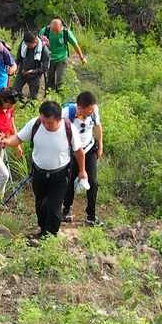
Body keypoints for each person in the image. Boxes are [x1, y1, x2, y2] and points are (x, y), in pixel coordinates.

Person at [1, 101, 87, 238]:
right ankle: (42, 230)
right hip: (39, 172)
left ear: (59, 119)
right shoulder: (35, 124)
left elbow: (79, 152)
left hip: (60, 174)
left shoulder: (68, 128)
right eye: (43, 121)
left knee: (54, 207)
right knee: (40, 204)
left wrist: (82, 171)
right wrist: (7, 141)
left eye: (50, 123)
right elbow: (18, 139)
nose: (46, 125)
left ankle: (50, 236)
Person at [61, 91, 104, 226]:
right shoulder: (66, 113)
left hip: (89, 148)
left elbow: (97, 127)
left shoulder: (94, 110)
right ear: (80, 107)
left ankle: (91, 216)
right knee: (70, 180)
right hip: (72, 151)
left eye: (92, 110)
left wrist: (100, 144)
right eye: (88, 111)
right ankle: (66, 210)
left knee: (93, 182)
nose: (91, 113)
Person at [39, 18, 86, 93]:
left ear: (61, 27)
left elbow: (75, 45)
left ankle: (60, 96)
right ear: (50, 26)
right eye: (53, 30)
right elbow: (38, 44)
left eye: (56, 31)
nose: (54, 32)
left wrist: (82, 58)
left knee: (60, 79)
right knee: (49, 80)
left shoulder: (66, 33)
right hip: (49, 58)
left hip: (62, 58)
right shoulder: (44, 31)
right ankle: (49, 96)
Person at [13, 31, 51, 100]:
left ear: (35, 41)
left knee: (34, 97)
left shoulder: (44, 50)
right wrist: (15, 67)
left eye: (29, 44)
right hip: (22, 72)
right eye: (26, 44)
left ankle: (30, 107)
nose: (28, 46)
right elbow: (18, 58)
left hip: (35, 75)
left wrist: (32, 71)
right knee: (15, 91)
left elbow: (45, 68)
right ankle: (21, 103)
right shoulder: (23, 44)